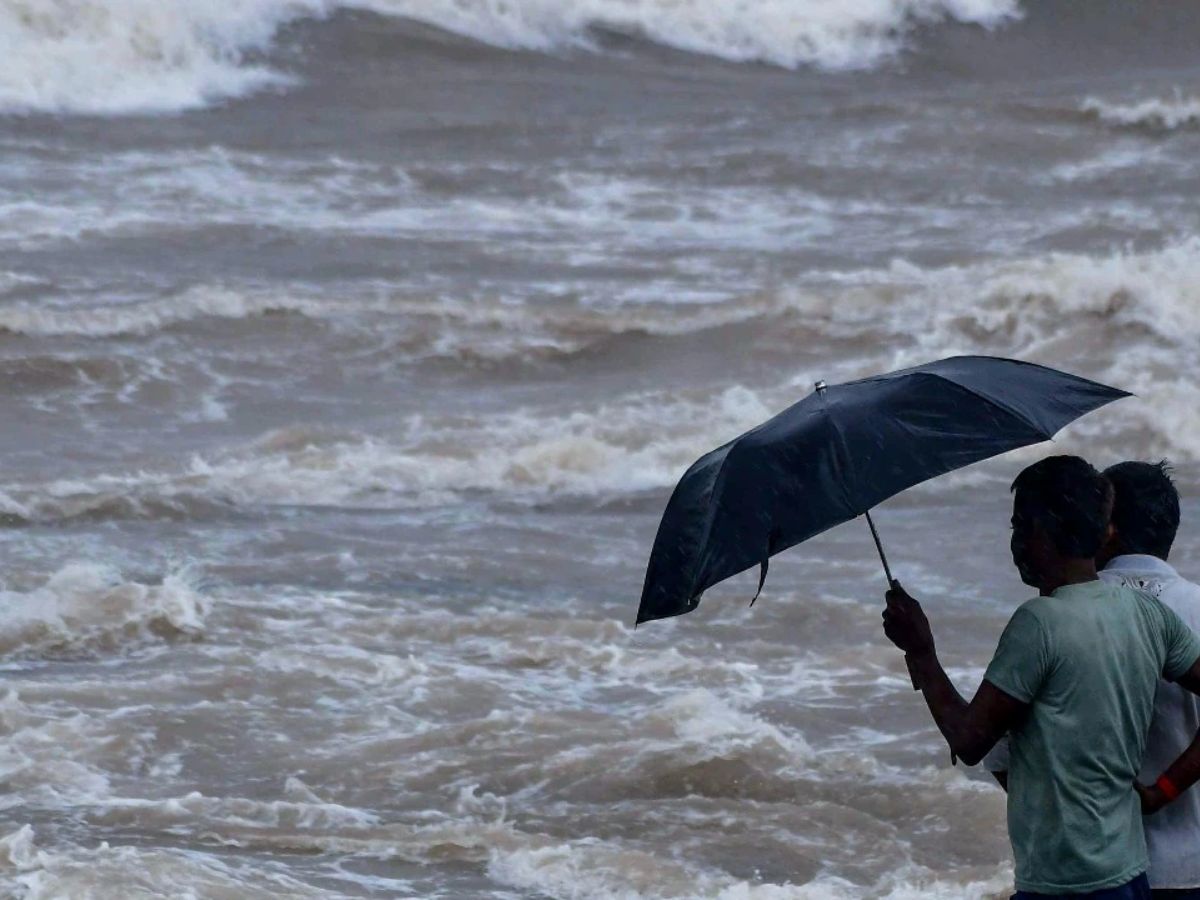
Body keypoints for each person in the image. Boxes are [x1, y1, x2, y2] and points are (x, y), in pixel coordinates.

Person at [882, 455, 1200, 899]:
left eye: (1018, 527)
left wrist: (922, 652)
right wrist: (1162, 789)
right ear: (1102, 530)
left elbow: (972, 741)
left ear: (1043, 534)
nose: (1015, 543)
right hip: (1130, 873)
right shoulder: (1146, 614)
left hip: (1065, 882)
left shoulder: (1038, 623)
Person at [987, 461, 1200, 898]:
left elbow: (997, 748)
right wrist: (1164, 789)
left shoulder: (1061, 613)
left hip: (1098, 872)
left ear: (1108, 528)